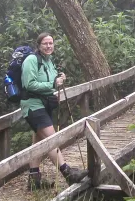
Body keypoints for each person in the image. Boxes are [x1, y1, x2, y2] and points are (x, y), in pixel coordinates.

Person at [21, 32, 88, 190]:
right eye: (45, 43)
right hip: (32, 106)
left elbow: (51, 82)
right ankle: (68, 173)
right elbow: (29, 84)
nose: (49, 46)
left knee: (39, 141)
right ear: (38, 45)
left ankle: (34, 180)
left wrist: (59, 80)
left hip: (44, 105)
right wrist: (53, 84)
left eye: (51, 43)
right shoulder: (31, 60)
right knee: (51, 140)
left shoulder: (49, 62)